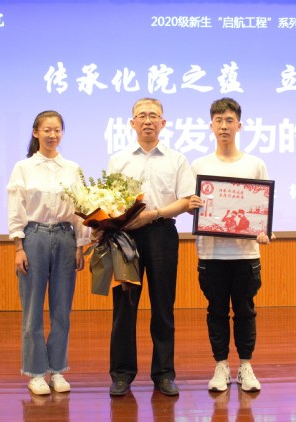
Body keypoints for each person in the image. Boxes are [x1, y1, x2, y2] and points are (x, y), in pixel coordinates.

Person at [106, 98, 196, 397]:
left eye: (153, 116)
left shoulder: (176, 159)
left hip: (161, 234)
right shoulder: (119, 160)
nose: (148, 121)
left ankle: (164, 374)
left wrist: (153, 214)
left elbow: (187, 200)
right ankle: (121, 374)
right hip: (126, 236)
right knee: (124, 307)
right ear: (132, 123)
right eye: (142, 116)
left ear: (163, 123)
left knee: (163, 306)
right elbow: (108, 201)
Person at [189, 98, 273, 393]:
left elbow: (262, 209)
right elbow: (191, 206)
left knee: (245, 311)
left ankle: (246, 366)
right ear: (211, 126)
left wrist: (263, 231)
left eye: (229, 120)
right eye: (218, 120)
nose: (224, 126)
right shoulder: (199, 165)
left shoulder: (255, 164)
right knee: (216, 311)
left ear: (239, 125)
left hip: (245, 254)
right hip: (211, 253)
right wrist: (192, 205)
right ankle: (221, 365)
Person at [7, 110, 90, 395]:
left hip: (66, 238)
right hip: (34, 237)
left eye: (57, 130)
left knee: (61, 309)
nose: (52, 135)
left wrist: (81, 245)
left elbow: (80, 209)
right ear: (36, 132)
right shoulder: (23, 168)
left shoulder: (72, 168)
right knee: (32, 310)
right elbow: (16, 208)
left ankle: (57, 370)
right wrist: (18, 247)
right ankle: (35, 373)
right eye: (47, 130)